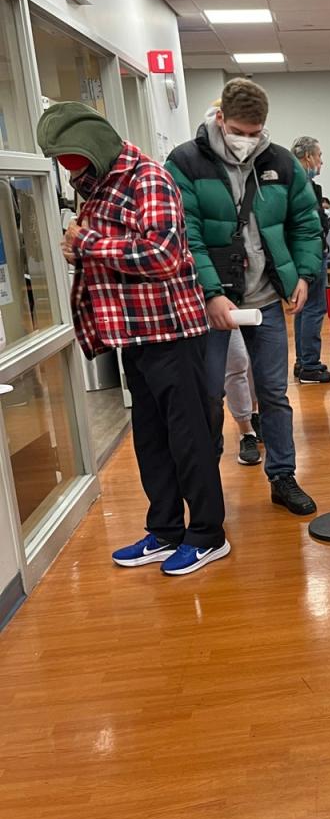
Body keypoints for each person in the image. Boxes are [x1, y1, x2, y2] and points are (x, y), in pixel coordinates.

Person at [37, 102, 230, 576]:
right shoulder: (97, 184)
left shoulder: (148, 179)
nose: (68, 168)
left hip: (172, 332)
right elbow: (112, 247)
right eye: (61, 160)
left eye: (72, 157)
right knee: (150, 438)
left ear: (93, 146)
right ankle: (165, 531)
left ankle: (207, 534)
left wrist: (85, 244)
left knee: (189, 439)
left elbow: (164, 254)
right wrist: (79, 245)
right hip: (133, 335)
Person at [166, 78, 322, 517]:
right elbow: (186, 235)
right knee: (207, 396)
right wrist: (211, 294)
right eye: (240, 130)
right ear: (220, 119)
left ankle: (283, 476)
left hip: (268, 300)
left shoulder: (281, 163)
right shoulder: (185, 162)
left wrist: (304, 274)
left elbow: (305, 224)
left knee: (274, 393)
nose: (247, 140)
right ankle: (207, 490)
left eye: (256, 133)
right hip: (213, 308)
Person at [290, 135, 330, 384]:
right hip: (310, 253)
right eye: (319, 156)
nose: (321, 162)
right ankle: (309, 365)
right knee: (314, 308)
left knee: (303, 309)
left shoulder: (290, 180)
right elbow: (312, 223)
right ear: (308, 157)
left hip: (302, 253)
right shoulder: (301, 184)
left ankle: (303, 361)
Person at [224, 329, 261, 465]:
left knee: (250, 359)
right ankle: (246, 432)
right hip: (216, 313)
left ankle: (253, 414)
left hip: (251, 307)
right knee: (236, 361)